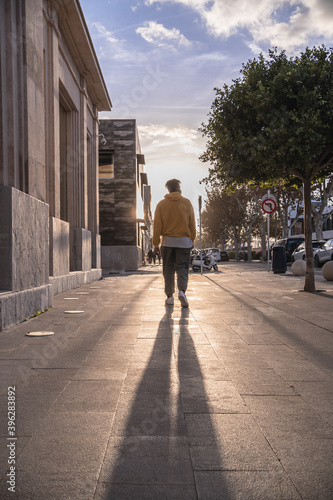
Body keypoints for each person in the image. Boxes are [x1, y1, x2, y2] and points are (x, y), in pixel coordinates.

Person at [153, 179, 196, 307]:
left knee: (168, 269)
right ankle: (182, 291)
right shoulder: (187, 203)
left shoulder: (161, 205)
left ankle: (169, 296)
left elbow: (157, 226)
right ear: (179, 188)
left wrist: (156, 244)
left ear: (168, 189)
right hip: (184, 242)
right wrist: (191, 239)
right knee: (182, 267)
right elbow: (192, 223)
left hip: (167, 241)